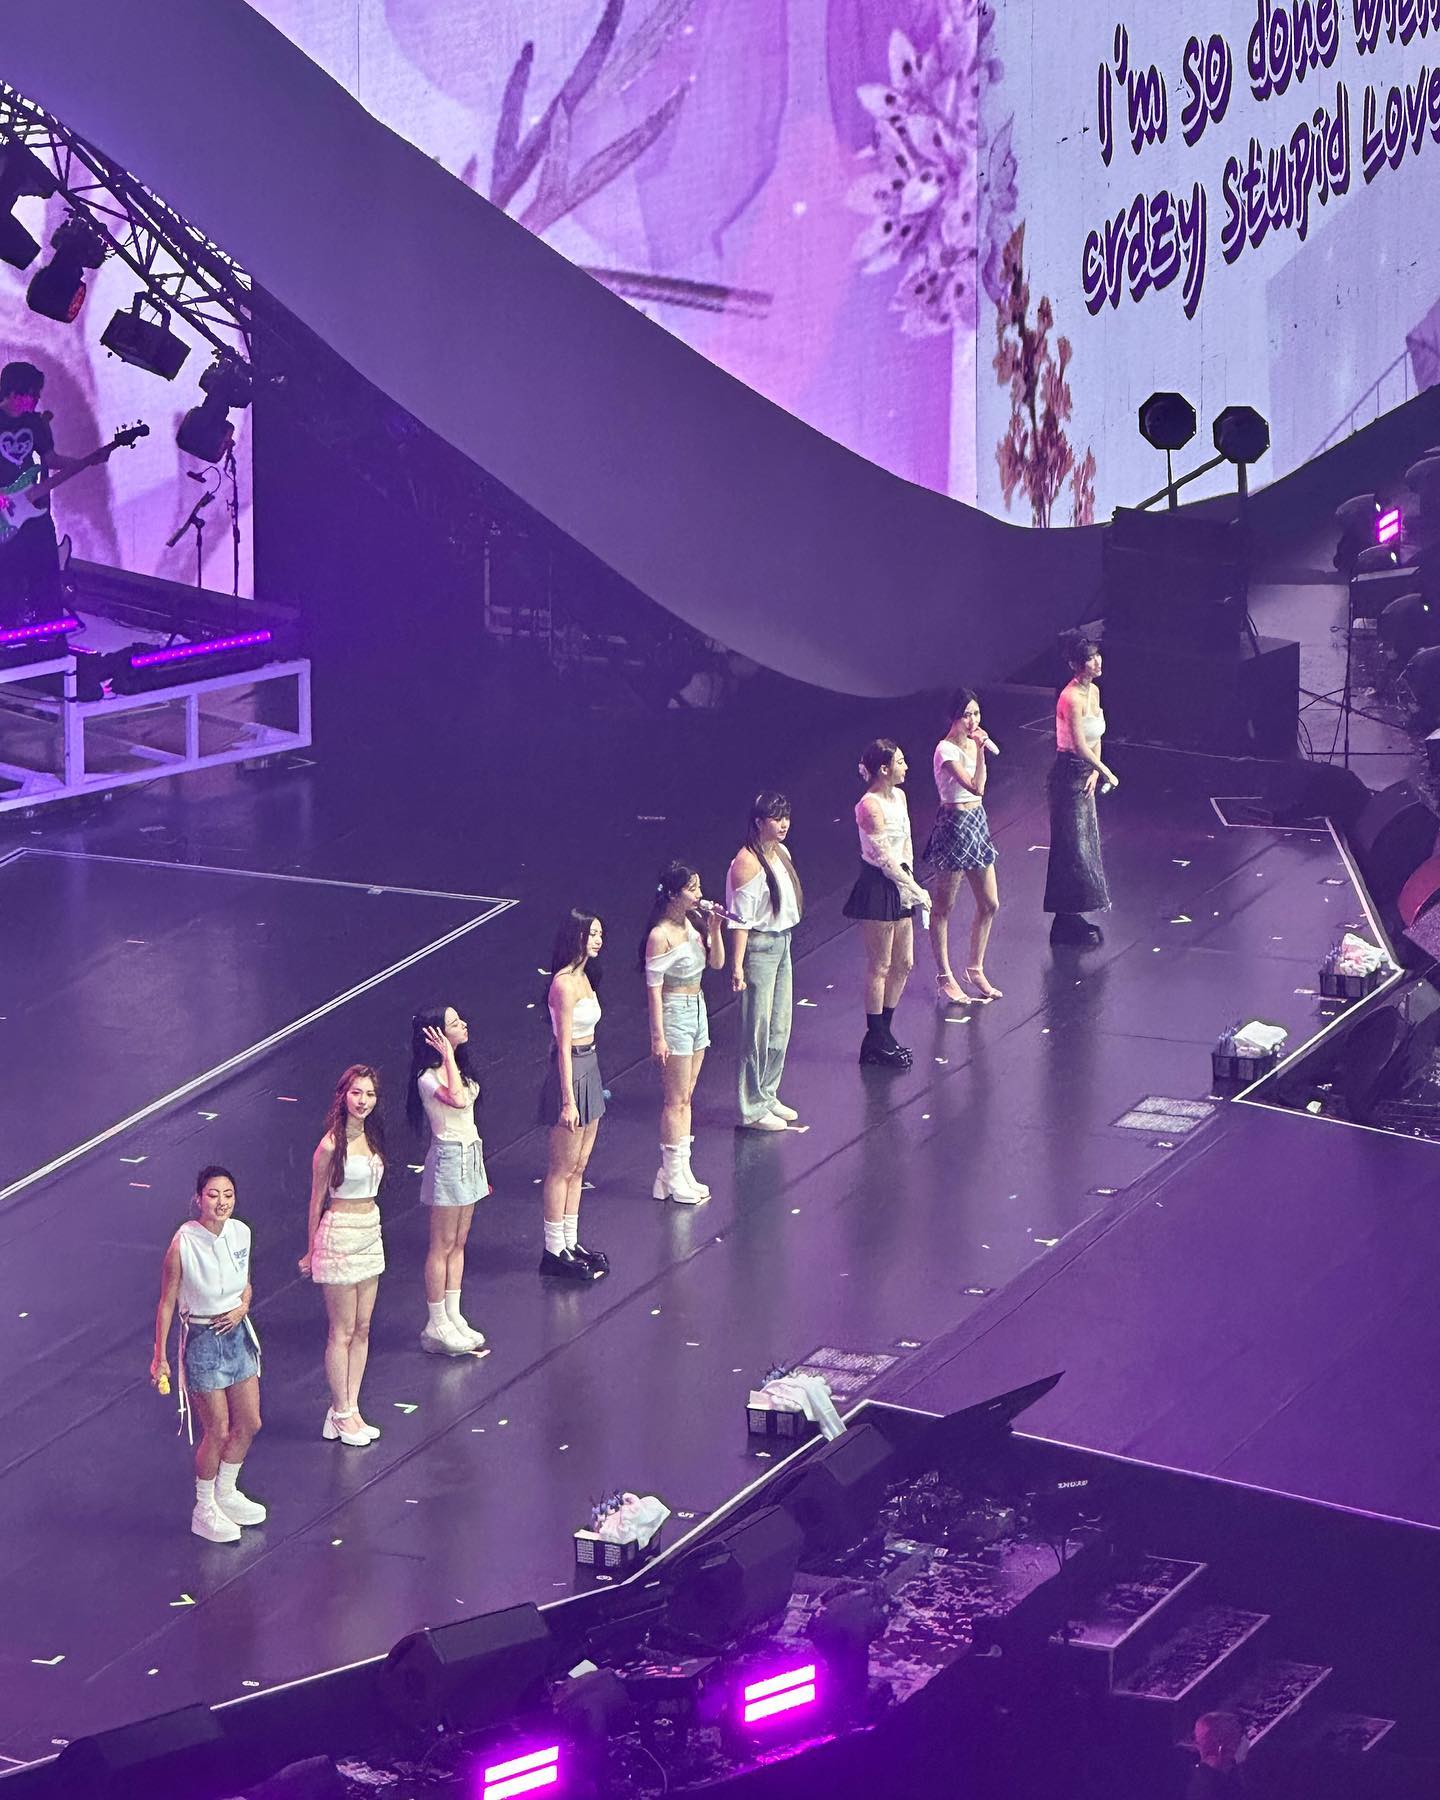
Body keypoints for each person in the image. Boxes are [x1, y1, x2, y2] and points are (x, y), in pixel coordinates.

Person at [150, 1165, 265, 1544]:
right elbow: (167, 1303)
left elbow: (245, 1283)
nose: (221, 1202)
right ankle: (203, 1508)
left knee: (249, 1422)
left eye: (228, 1195)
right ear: (199, 1199)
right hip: (202, 1339)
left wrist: (242, 1307)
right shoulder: (183, 1244)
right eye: (213, 1195)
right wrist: (160, 1357)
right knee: (217, 1429)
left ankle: (226, 1492)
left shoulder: (241, 1233)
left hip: (237, 1335)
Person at [301, 1065, 387, 1446]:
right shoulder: (330, 1146)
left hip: (370, 1230)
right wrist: (311, 1250)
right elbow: (316, 1200)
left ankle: (351, 1407)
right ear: (343, 1096)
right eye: (356, 1093)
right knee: (342, 1330)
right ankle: (339, 1412)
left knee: (363, 1327)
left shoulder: (373, 1137)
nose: (363, 1101)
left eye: (369, 1094)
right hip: (339, 1234)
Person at [406, 1005, 489, 1355]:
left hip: (470, 1154)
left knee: (458, 1242)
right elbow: (455, 1099)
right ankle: (436, 1321)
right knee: (441, 1244)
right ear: (437, 1036)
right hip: (449, 1158)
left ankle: (454, 1314)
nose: (464, 1025)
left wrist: (453, 1059)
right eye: (454, 1023)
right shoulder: (428, 1077)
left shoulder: (460, 1070)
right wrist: (448, 1057)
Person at [842, 739, 929, 1068]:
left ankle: (881, 1034)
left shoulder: (900, 797)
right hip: (879, 884)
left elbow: (904, 846)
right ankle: (876, 1035)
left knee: (904, 962)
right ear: (884, 769)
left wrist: (911, 882)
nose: (906, 767)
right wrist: (915, 889)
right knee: (880, 964)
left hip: (901, 881)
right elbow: (884, 858)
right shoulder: (869, 806)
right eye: (900, 762)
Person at [643, 861, 725, 1203]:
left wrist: (715, 929)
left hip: (698, 1007)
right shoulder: (659, 936)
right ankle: (670, 1172)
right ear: (674, 895)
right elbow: (653, 990)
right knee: (675, 1100)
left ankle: (679, 1171)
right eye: (692, 889)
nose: (699, 894)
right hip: (675, 1010)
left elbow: (716, 963)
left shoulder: (694, 923)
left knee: (687, 1096)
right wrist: (658, 1036)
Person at [539, 910, 610, 1282]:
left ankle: (570, 1240)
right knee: (562, 1167)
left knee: (579, 1166)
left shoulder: (586, 977)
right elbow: (563, 1046)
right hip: (571, 1072)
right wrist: (567, 1099)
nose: (598, 940)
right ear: (577, 937)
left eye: (600, 934)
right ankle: (553, 1248)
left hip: (591, 1067)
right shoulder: (564, 984)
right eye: (592, 934)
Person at [726, 792, 803, 1130]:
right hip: (759, 948)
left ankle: (768, 1093)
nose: (784, 824)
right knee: (756, 1029)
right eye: (776, 818)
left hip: (782, 941)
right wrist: (737, 966)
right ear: (759, 823)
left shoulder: (781, 853)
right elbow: (740, 921)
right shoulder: (746, 863)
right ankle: (752, 1107)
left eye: (786, 817)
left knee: (779, 1025)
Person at [922, 690, 1002, 1004]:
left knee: (990, 902)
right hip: (954, 825)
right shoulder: (945, 750)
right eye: (967, 715)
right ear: (954, 717)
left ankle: (975, 967)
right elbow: (976, 786)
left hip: (976, 822)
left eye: (976, 714)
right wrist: (980, 751)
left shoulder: (973, 743)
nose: (973, 721)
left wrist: (979, 748)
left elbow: (980, 793)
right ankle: (944, 976)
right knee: (944, 906)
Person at [1044, 633, 1118, 946]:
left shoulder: (1095, 692)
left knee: (1085, 844)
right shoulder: (1070, 698)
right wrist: (1106, 771)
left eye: (1097, 655)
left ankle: (1074, 912)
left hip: (1086, 772)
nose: (1097, 661)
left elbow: (1096, 736)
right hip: (1067, 775)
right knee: (1070, 847)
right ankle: (1064, 919)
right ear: (1076, 664)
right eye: (1090, 658)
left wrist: (1096, 771)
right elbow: (1077, 744)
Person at [0, 361, 79, 628]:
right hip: (4, 513)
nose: (35, 400)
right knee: (7, 576)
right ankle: (7, 630)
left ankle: (48, 629)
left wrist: (83, 462)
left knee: (45, 568)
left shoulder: (35, 423)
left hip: (32, 508)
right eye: (32, 393)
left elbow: (50, 459)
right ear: (13, 392)